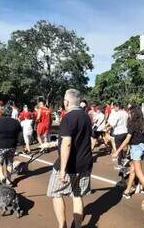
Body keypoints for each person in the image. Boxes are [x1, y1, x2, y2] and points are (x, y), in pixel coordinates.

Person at [47, 89, 92, 228]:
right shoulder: (86, 117)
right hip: (85, 163)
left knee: (55, 193)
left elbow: (67, 143)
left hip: (69, 164)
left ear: (66, 102)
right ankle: (77, 226)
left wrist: (62, 170)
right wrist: (54, 143)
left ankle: (62, 225)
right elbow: (86, 138)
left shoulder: (68, 117)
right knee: (77, 195)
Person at [112, 105, 144, 202]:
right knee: (133, 170)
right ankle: (127, 191)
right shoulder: (143, 123)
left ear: (133, 113)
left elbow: (127, 140)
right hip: (143, 148)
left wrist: (117, 151)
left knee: (139, 172)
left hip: (136, 149)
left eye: (130, 112)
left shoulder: (132, 124)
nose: (128, 114)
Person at [108, 102, 128, 169]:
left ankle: (120, 164)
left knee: (118, 148)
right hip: (125, 131)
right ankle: (124, 159)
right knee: (123, 146)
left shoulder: (117, 114)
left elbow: (113, 124)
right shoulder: (125, 113)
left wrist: (109, 123)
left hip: (118, 132)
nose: (114, 108)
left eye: (114, 107)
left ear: (118, 107)